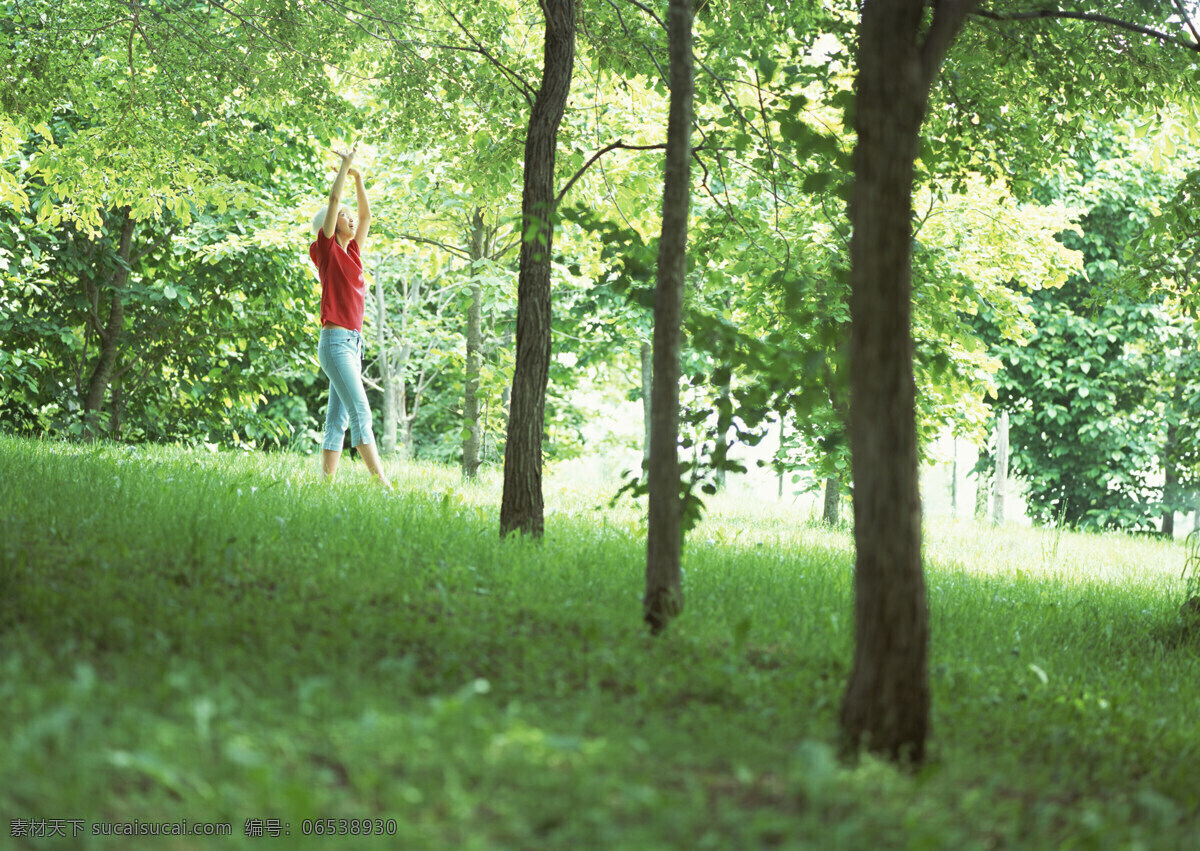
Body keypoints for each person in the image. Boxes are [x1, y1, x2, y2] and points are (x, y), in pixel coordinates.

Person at [310, 146, 392, 489]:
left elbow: (367, 217)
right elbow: (332, 201)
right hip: (335, 342)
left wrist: (359, 179)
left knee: (338, 418)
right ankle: (381, 484)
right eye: (344, 216)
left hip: (352, 344)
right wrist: (344, 169)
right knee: (361, 410)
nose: (349, 218)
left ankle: (324, 486)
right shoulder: (325, 251)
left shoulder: (353, 253)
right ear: (330, 226)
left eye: (348, 215)